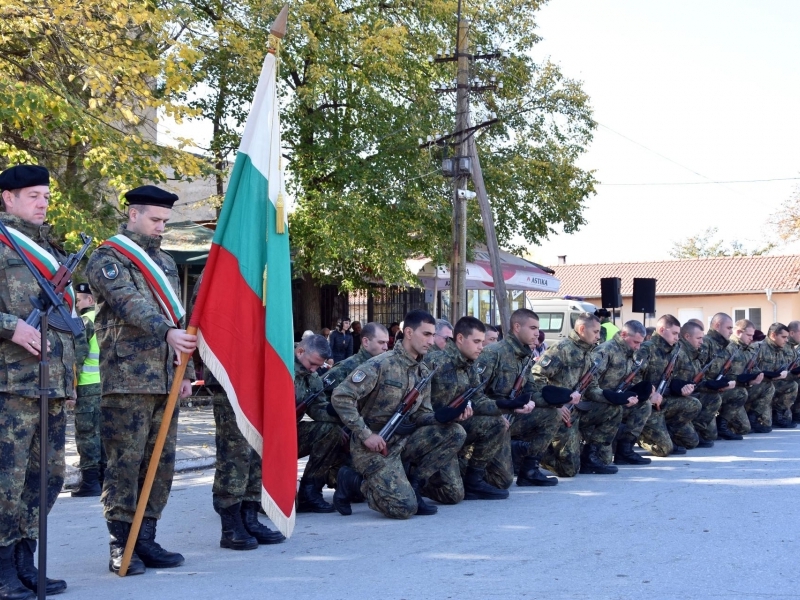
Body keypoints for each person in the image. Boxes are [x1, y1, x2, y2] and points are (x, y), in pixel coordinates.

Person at [87, 185, 197, 576]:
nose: (161, 228)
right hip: (127, 379)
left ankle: (146, 538)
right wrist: (167, 331)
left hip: (167, 377)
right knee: (124, 463)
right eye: (155, 220)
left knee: (160, 464)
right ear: (133, 214)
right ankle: (121, 544)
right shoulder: (108, 257)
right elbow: (128, 303)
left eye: (165, 222)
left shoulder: (165, 262)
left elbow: (182, 319)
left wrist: (188, 371)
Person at [0, 164, 87, 598]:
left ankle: (24, 560)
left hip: (50, 385)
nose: (42, 203)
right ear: (8, 198)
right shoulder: (1, 243)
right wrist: (8, 325)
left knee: (47, 478)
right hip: (10, 385)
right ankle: (1, 570)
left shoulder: (47, 249)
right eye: (33, 195)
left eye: (46, 197)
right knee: (6, 480)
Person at [331, 310, 467, 519]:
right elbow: (341, 397)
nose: (431, 341)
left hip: (403, 441)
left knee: (455, 432)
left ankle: (415, 485)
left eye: (433, 335)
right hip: (375, 445)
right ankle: (353, 481)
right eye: (427, 334)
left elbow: (422, 414)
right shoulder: (380, 364)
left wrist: (445, 416)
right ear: (409, 333)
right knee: (403, 508)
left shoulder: (422, 371)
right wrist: (366, 435)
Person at [189, 273, 285, 553]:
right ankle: (230, 524)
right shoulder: (221, 267)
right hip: (230, 376)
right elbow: (198, 321)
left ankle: (250, 515)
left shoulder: (267, 266)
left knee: (257, 449)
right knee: (235, 453)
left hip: (261, 375)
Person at [423, 317, 509, 502]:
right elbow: (420, 406)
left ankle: (473, 481)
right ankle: (414, 478)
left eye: (482, 341)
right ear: (460, 339)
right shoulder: (434, 362)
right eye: (477, 341)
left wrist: (504, 406)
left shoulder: (469, 364)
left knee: (495, 423)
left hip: (455, 429)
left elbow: (477, 399)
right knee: (452, 495)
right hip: (432, 431)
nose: (482, 346)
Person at [536, 312, 621, 477]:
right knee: (569, 470)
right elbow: (536, 376)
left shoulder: (588, 352)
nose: (598, 336)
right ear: (582, 329)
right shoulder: (562, 349)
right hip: (560, 413)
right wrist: (555, 406)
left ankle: (590, 456)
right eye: (595, 332)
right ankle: (531, 453)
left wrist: (612, 397)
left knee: (613, 409)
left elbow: (591, 387)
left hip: (578, 410)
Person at [476, 309, 550, 488]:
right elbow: (475, 393)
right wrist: (496, 414)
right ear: (517, 327)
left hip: (513, 416)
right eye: (532, 328)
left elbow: (531, 388)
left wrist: (533, 400)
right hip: (490, 419)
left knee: (551, 414)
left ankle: (529, 470)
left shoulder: (524, 356)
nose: (537, 333)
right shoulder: (493, 353)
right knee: (502, 482)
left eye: (537, 328)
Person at [591, 320, 653, 466]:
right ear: (624, 334)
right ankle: (593, 449)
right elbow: (590, 383)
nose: (638, 347)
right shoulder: (605, 351)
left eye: (640, 343)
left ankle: (625, 451)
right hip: (599, 403)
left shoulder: (629, 353)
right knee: (604, 461)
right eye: (635, 342)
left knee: (644, 405)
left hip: (616, 401)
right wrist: (614, 398)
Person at [637, 315, 701, 456]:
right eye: (674, 333)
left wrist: (682, 388)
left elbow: (675, 378)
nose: (677, 338)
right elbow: (633, 378)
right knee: (664, 450)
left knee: (692, 440)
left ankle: (667, 433)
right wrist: (649, 395)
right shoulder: (646, 349)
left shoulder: (674, 350)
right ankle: (640, 436)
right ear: (661, 329)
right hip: (646, 406)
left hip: (664, 401)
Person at [294, 335, 344, 513]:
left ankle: (310, 491)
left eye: (318, 366)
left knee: (331, 431)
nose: (314, 370)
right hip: (261, 437)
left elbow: (317, 409)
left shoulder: (311, 375)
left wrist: (342, 415)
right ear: (300, 351)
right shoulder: (279, 363)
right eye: (312, 364)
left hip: (289, 434)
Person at [670, 321, 732, 447]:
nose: (701, 342)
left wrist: (715, 384)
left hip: (691, 394)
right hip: (675, 397)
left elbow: (697, 381)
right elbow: (670, 380)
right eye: (698, 338)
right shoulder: (678, 353)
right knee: (689, 442)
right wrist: (679, 389)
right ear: (687, 337)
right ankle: (673, 432)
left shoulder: (694, 354)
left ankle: (696, 429)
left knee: (713, 398)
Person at [71, 282, 106, 498]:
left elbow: (77, 356)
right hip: (106, 386)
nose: (76, 304)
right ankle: (102, 480)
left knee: (87, 435)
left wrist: (70, 387)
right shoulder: (106, 320)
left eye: (78, 299)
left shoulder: (85, 322)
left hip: (87, 385)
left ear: (89, 300)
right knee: (102, 434)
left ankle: (91, 482)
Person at [703, 313, 749, 441]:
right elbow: (699, 373)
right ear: (717, 325)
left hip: (717, 390)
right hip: (704, 391)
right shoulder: (706, 343)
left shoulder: (726, 346)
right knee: (710, 436)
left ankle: (722, 425)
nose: (731, 331)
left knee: (740, 393)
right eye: (729, 328)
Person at [724, 319, 768, 435]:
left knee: (767, 387)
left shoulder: (748, 349)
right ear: (738, 332)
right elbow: (723, 375)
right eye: (748, 335)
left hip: (742, 388)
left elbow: (754, 368)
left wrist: (757, 376)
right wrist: (746, 381)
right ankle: (722, 423)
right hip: (728, 390)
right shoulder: (728, 348)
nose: (751, 338)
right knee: (743, 429)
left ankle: (752, 417)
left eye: (752, 335)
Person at [759, 323, 796, 429]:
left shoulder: (779, 349)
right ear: (773, 335)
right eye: (783, 337)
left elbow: (783, 370)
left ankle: (778, 414)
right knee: (765, 425)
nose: (786, 340)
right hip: (759, 386)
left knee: (792, 385)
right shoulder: (759, 348)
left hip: (773, 384)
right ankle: (754, 415)